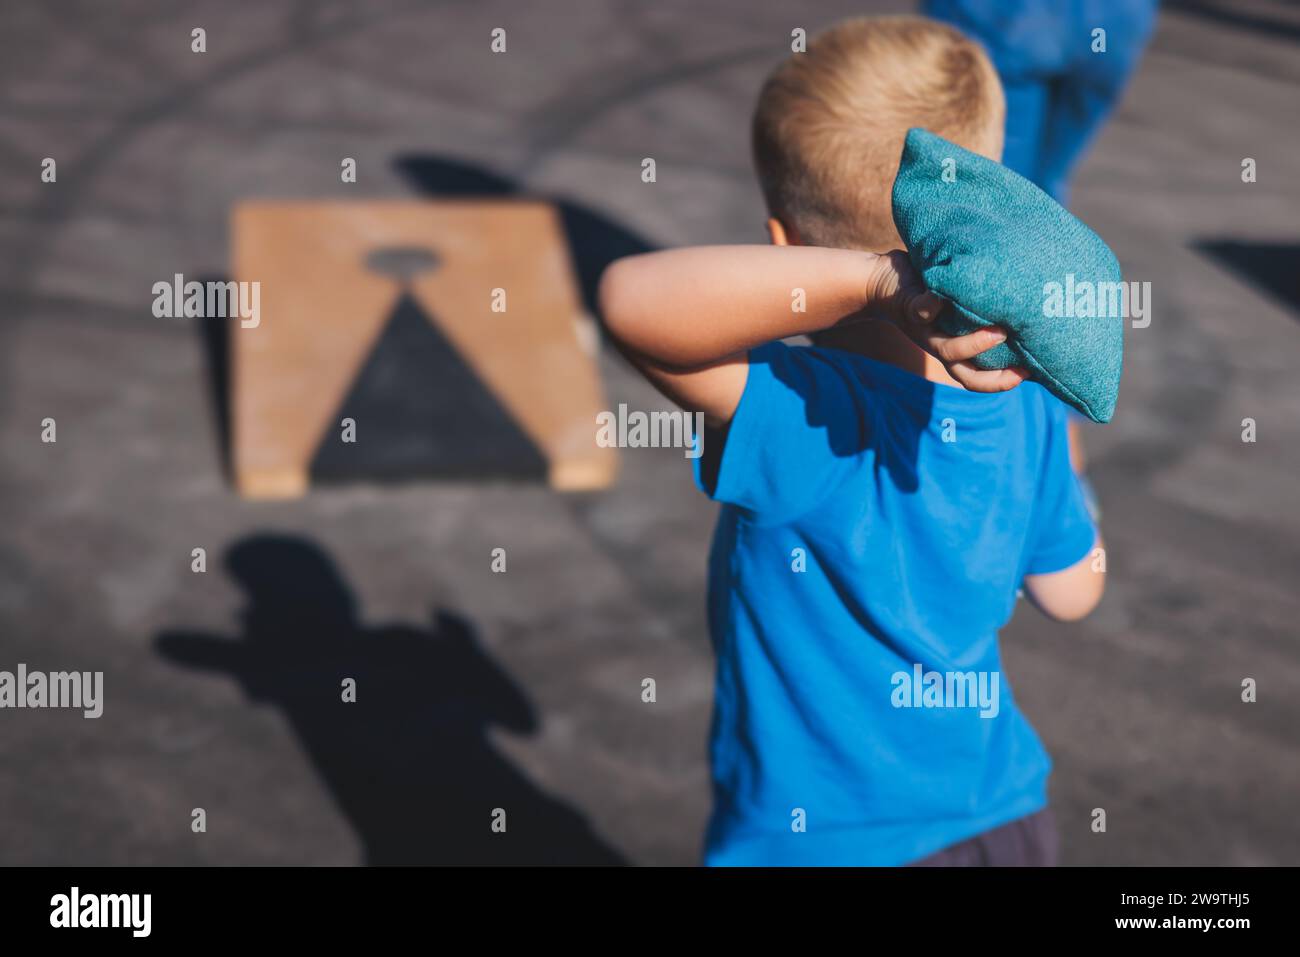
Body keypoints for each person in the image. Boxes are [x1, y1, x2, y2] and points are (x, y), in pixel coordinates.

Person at [599, 16, 1104, 865]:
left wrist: (873, 283)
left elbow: (630, 301)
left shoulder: (809, 413)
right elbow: (1071, 592)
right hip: (998, 819)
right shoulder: (1026, 406)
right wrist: (1071, 462)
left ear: (781, 249)